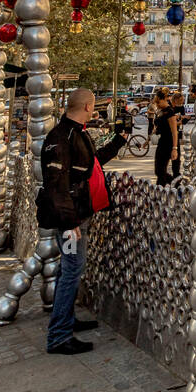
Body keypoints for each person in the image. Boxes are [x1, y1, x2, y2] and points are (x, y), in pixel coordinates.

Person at [38, 88, 127, 355]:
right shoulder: (62, 137)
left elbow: (91, 164)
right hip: (70, 219)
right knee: (70, 271)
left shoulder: (76, 132)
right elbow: (57, 184)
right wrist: (68, 222)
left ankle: (66, 320)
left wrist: (117, 143)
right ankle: (59, 336)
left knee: (70, 270)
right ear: (88, 106)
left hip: (77, 215)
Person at [151, 88, 179, 187]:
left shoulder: (170, 111)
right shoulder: (160, 111)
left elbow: (174, 132)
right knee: (159, 170)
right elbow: (157, 127)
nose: (157, 105)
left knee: (160, 171)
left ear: (164, 99)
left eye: (158, 102)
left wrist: (175, 148)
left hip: (169, 142)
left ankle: (175, 185)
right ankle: (165, 188)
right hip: (162, 141)